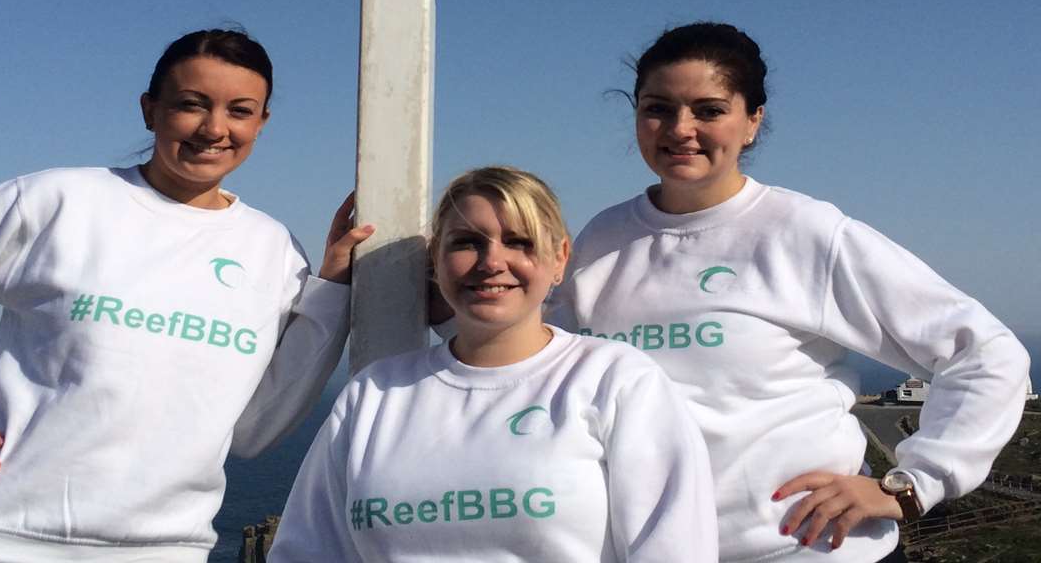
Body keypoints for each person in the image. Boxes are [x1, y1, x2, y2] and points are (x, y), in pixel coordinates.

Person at [0, 28, 371, 563]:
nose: (213, 128)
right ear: (149, 110)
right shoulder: (55, 203)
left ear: (262, 122)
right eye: (191, 104)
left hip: (165, 553)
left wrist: (328, 294)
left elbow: (252, 430)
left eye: (240, 110)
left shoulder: (272, 250)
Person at [554, 22, 1031, 562]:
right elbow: (539, 357)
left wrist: (914, 484)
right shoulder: (602, 239)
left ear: (752, 121)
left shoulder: (802, 232)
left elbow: (984, 352)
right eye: (657, 108)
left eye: (709, 110)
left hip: (807, 550)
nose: (680, 128)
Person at [269, 166, 717, 563]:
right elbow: (307, 549)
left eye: (519, 242)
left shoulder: (614, 380)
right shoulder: (375, 394)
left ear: (559, 259)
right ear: (436, 261)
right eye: (466, 243)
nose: (491, 262)